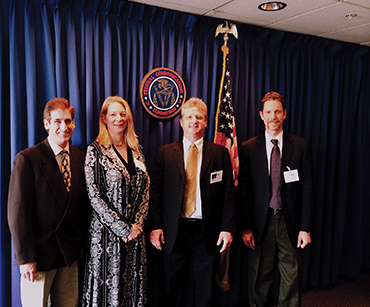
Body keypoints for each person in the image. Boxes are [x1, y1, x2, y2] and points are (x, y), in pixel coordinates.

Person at [149, 97, 235, 307]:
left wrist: (226, 228)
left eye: (199, 117)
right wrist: (156, 226)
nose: (193, 121)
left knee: (205, 285)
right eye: (189, 117)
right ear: (180, 121)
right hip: (173, 230)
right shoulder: (165, 153)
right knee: (173, 283)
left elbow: (228, 195)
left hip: (206, 230)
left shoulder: (220, 153)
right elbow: (156, 192)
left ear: (206, 122)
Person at [8, 97, 89, 306]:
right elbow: (18, 213)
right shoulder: (28, 159)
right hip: (39, 256)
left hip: (69, 255)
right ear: (46, 124)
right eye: (58, 121)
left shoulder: (81, 158)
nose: (64, 127)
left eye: (68, 121)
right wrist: (25, 257)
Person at [239, 91, 314, 307]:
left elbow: (308, 190)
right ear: (261, 115)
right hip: (260, 225)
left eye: (278, 111)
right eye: (269, 112)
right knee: (259, 280)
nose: (274, 116)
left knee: (292, 279)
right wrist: (245, 228)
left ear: (285, 114)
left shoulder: (301, 146)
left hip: (290, 224)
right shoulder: (247, 148)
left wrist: (305, 228)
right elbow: (243, 192)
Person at [82, 96, 150, 306]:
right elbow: (94, 195)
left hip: (135, 237)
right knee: (107, 294)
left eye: (122, 114)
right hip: (106, 238)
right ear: (104, 118)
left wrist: (137, 225)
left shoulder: (136, 150)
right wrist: (123, 229)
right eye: (113, 114)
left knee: (131, 290)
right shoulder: (96, 150)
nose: (118, 119)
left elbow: (146, 190)